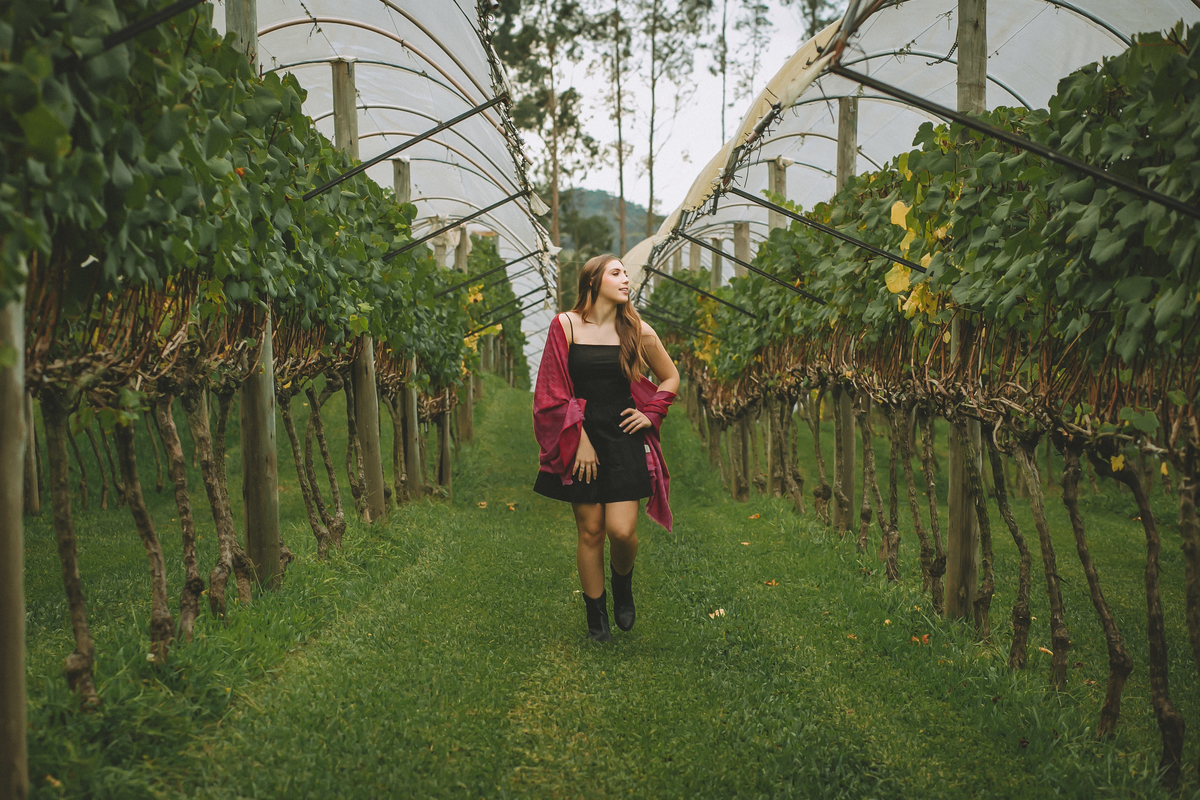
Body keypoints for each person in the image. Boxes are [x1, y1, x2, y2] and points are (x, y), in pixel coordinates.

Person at [532, 254, 680, 642]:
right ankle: (596, 615)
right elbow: (552, 389)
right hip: (577, 433)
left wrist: (651, 414)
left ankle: (623, 585)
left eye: (626, 274)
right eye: (617, 273)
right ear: (593, 281)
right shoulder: (565, 325)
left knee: (621, 530)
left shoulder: (636, 330)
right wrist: (578, 440)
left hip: (622, 434)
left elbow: (670, 376)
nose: (625, 278)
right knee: (591, 529)